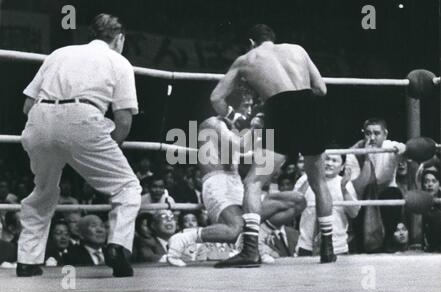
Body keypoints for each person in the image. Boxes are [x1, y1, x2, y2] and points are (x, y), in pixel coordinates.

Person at [16, 13, 142, 277]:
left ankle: (27, 260)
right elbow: (123, 120)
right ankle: (118, 247)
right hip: (83, 118)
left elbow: (27, 105)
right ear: (119, 39)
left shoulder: (58, 53)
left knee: (43, 191)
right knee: (127, 186)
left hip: (39, 119)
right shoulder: (119, 61)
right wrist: (104, 153)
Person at [209, 24, 335, 264]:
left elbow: (216, 97)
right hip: (310, 108)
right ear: (273, 39)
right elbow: (321, 88)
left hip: (279, 110)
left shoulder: (246, 59)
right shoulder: (298, 50)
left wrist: (233, 117)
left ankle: (250, 250)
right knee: (318, 182)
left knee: (254, 181)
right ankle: (328, 249)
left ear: (251, 42)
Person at [167, 95, 306, 267]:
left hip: (236, 183)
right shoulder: (212, 123)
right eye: (246, 106)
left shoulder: (232, 128)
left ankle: (255, 240)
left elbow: (245, 154)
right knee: (235, 229)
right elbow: (240, 146)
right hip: (216, 184)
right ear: (230, 106)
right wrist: (255, 128)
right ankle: (182, 239)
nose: (249, 111)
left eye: (250, 106)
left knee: (297, 201)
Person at [345, 118, 406, 252]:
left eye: (376, 133)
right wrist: (366, 158)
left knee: (394, 193)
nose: (372, 137)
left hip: (384, 195)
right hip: (363, 197)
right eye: (368, 133)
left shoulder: (389, 146)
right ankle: (364, 247)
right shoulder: (354, 152)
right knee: (358, 204)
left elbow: (404, 148)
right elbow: (359, 186)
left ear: (385, 134)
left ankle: (388, 242)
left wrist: (402, 149)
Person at [295, 153, 360, 256]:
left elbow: (354, 213)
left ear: (342, 166)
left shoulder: (345, 183)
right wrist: (310, 177)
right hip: (306, 246)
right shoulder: (304, 179)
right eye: (327, 159)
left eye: (334, 161)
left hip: (337, 247)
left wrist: (343, 188)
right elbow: (294, 208)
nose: (329, 163)